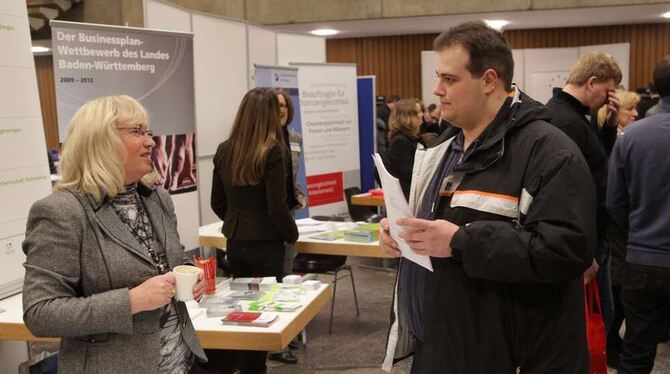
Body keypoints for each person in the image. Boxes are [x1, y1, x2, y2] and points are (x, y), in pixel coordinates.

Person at [380, 21, 596, 373]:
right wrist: (403, 234)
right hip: (444, 345)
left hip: (512, 357)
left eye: (449, 79)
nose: (436, 89)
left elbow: (565, 251)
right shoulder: (445, 148)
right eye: (438, 77)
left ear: (489, 80)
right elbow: (436, 229)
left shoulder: (550, 153)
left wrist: (461, 243)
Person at [22, 95, 208, 374]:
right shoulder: (62, 211)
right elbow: (41, 313)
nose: (151, 142)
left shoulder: (156, 198)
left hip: (180, 362)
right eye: (137, 131)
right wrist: (132, 301)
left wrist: (192, 274)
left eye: (148, 131)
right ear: (100, 140)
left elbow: (171, 259)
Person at [210, 87, 299, 374]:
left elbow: (217, 202)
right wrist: (291, 234)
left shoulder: (225, 149)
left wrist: (237, 222)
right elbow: (277, 206)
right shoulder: (274, 150)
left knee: (242, 315)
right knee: (263, 319)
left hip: (236, 242)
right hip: (267, 244)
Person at [546, 51, 622, 330]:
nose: (609, 100)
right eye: (607, 91)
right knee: (589, 323)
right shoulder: (565, 121)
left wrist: (609, 125)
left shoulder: (575, 117)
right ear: (591, 83)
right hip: (582, 244)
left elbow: (595, 163)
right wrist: (583, 253)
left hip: (588, 238)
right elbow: (566, 195)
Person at [606, 55, 670, 374]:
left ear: (656, 88)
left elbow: (614, 202)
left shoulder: (631, 136)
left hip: (642, 259)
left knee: (636, 351)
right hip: (646, 253)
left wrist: (638, 233)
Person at [267, 87, 305, 365]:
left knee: (287, 276)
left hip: (288, 214)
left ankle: (287, 332)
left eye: (284, 105)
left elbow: (291, 178)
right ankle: (276, 342)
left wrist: (298, 194)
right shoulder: (262, 143)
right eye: (276, 105)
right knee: (274, 281)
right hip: (269, 220)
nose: (281, 109)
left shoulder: (294, 139)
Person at [384, 98, 423, 199]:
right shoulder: (400, 142)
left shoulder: (414, 138)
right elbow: (409, 173)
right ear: (408, 116)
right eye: (419, 112)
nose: (422, 115)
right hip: (407, 197)